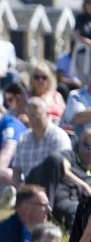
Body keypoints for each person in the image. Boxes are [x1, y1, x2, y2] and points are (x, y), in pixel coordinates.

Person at [14, 96, 90, 228]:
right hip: (31, 184)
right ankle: (44, 213)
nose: (33, 119)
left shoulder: (58, 136)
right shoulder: (23, 138)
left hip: (56, 185)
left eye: (37, 115)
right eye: (30, 115)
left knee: (53, 160)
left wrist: (83, 185)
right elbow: (16, 171)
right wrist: (20, 192)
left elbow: (63, 169)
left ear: (48, 114)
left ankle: (47, 211)